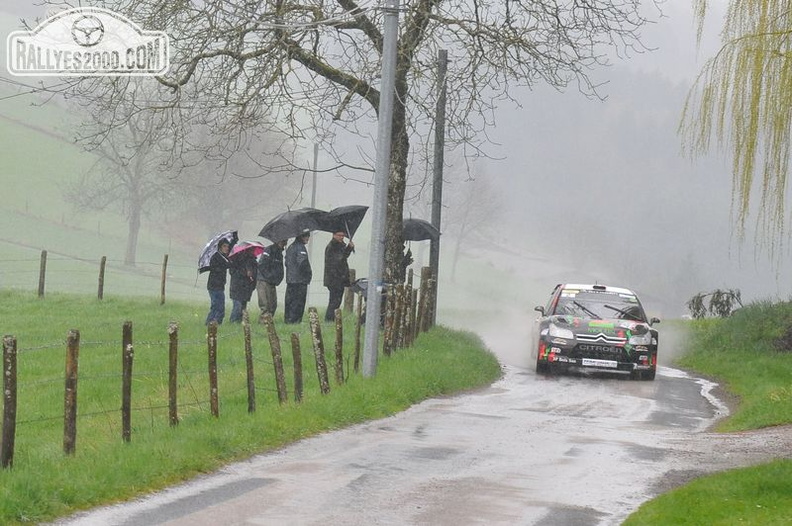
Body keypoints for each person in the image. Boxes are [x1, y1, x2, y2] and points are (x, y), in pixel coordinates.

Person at [323, 230, 355, 321]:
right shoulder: (332, 246)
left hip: (338, 279)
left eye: (343, 235)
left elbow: (342, 257)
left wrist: (349, 248)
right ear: (334, 235)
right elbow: (339, 259)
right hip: (334, 279)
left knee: (336, 301)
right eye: (339, 235)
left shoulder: (339, 246)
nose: (341, 237)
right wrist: (348, 248)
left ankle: (331, 319)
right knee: (334, 301)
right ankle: (329, 319)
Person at [284, 230, 312, 324]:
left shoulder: (290, 247)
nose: (308, 238)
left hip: (290, 279)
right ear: (301, 237)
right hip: (300, 280)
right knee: (298, 303)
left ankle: (288, 320)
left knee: (290, 302)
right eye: (306, 236)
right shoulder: (300, 247)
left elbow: (287, 263)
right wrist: (308, 274)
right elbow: (303, 263)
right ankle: (296, 321)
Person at [256, 239, 287, 322]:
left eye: (285, 241)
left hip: (272, 282)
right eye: (283, 241)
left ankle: (268, 321)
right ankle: (264, 323)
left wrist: (278, 279)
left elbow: (279, 268)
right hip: (263, 280)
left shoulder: (279, 253)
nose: (284, 243)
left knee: (273, 305)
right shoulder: (268, 250)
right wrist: (270, 277)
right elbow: (262, 265)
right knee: (265, 304)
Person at [205, 238, 231, 325]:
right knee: (216, 306)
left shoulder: (225, 258)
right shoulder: (215, 257)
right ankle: (210, 323)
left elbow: (228, 265)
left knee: (221, 307)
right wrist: (225, 265)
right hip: (214, 286)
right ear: (220, 247)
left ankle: (217, 324)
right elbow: (216, 269)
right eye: (224, 246)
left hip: (220, 286)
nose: (226, 248)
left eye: (227, 246)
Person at [228, 249, 257, 323]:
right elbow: (232, 271)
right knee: (238, 306)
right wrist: (245, 273)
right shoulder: (236, 259)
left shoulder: (253, 262)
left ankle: (239, 322)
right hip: (237, 287)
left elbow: (255, 275)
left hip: (247, 288)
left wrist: (252, 277)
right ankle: (233, 322)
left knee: (243, 308)